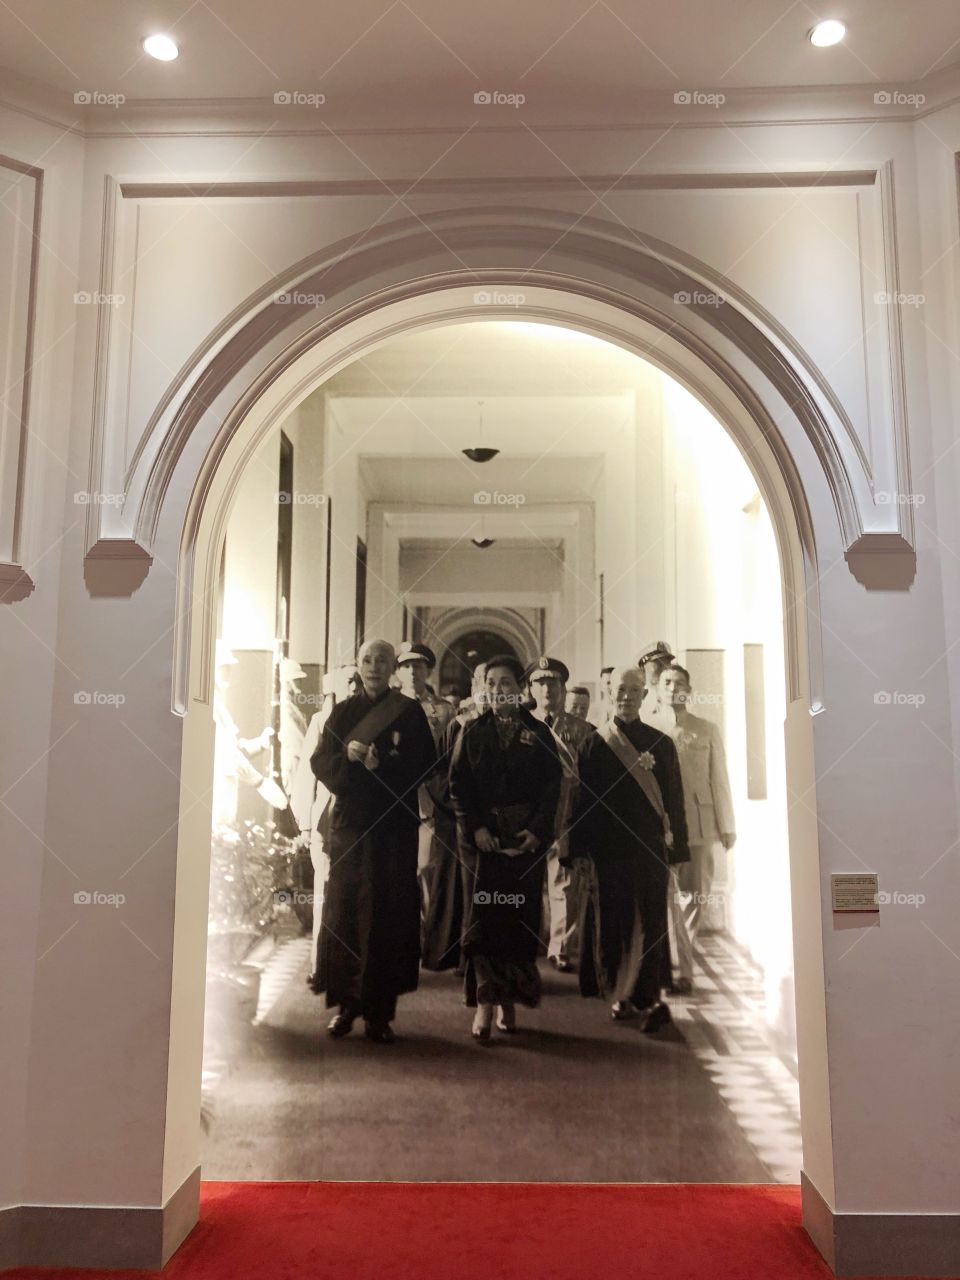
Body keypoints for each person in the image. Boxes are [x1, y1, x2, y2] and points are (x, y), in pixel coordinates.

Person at [310, 638, 436, 1043]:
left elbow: (424, 765)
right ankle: (347, 1007)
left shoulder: (409, 712)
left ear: (393, 667)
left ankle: (380, 1013)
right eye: (367, 659)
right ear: (358, 664)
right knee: (346, 913)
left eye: (382, 660)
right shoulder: (342, 712)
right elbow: (320, 761)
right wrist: (345, 760)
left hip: (394, 830)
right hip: (351, 828)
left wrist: (386, 766)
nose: (374, 666)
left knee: (388, 917)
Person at [449, 655, 562, 1041]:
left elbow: (553, 789)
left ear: (521, 690)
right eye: (492, 684)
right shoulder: (472, 732)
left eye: (507, 684)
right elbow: (458, 787)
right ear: (484, 690)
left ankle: (509, 999)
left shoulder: (539, 734)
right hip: (483, 844)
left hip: (524, 842)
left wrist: (537, 831)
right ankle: (484, 1003)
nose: (499, 691)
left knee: (517, 921)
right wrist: (477, 828)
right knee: (483, 924)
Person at [571, 665, 688, 1031]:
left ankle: (646, 994)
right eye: (620, 691)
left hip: (649, 850)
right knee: (615, 922)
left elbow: (674, 801)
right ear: (609, 694)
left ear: (644, 696)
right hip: (608, 853)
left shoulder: (661, 744)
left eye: (633, 691)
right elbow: (579, 801)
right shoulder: (593, 743)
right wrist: (576, 850)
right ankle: (619, 994)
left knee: (650, 925)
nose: (626, 697)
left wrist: (679, 850)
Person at [656, 663, 736, 993]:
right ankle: (675, 967)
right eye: (667, 683)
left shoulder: (706, 729)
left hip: (700, 827)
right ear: (658, 690)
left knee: (695, 898)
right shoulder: (649, 729)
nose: (674, 688)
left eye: (679, 683)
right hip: (661, 827)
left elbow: (720, 779)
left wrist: (727, 825)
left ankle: (684, 966)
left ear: (689, 691)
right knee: (665, 898)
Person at [524, 656, 593, 973]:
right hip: (529, 817)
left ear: (563, 689)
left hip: (566, 815)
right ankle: (529, 942)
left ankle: (560, 947)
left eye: (553, 683)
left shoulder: (582, 730)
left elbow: (590, 780)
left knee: (564, 884)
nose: (546, 689)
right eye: (540, 683)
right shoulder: (520, 724)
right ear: (531, 689)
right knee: (526, 882)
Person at [395, 641, 456, 916]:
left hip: (428, 800)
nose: (411, 672)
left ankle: (428, 932)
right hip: (393, 798)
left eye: (417, 666)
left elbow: (449, 756)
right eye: (405, 666)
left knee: (426, 868)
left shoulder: (442, 710)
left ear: (428, 671)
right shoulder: (388, 707)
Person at [636, 641, 675, 724]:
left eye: (667, 664)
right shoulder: (637, 700)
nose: (664, 669)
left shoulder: (676, 698)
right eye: (659, 665)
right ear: (643, 669)